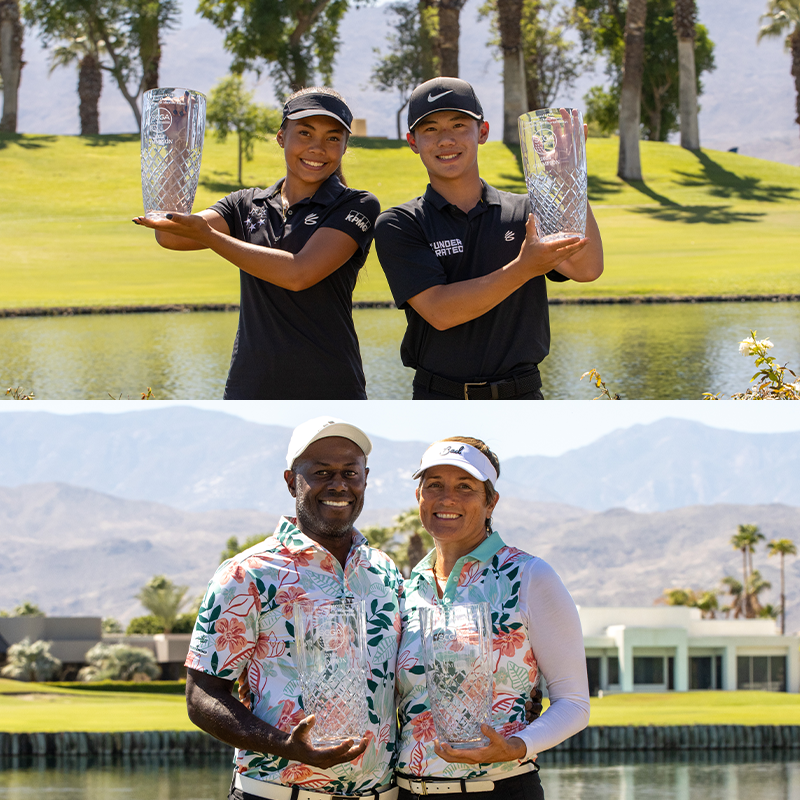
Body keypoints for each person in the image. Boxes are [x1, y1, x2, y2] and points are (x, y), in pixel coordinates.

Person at [184, 417, 403, 800]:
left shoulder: (385, 572)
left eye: (350, 472)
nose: (339, 484)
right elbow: (202, 696)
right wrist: (285, 744)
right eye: (321, 472)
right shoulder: (246, 574)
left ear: (365, 480)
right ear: (291, 481)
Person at [133, 88, 379, 400]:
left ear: (344, 147)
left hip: (329, 386)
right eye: (304, 133)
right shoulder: (245, 204)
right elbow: (170, 234)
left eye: (333, 138)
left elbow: (298, 274)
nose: (317, 148)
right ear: (281, 137)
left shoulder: (357, 205)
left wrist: (210, 237)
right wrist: (179, 145)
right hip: (249, 386)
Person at [375, 77, 604, 400]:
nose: (446, 140)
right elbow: (441, 312)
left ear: (482, 132)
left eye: (458, 125)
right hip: (439, 398)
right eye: (431, 129)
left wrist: (569, 180)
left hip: (523, 395)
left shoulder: (526, 210)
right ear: (413, 141)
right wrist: (524, 267)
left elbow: (587, 268)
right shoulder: (400, 223)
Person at [394, 437, 589, 800]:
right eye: (434, 485)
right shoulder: (407, 590)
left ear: (490, 502)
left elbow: (574, 703)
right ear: (419, 497)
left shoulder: (529, 576)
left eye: (465, 487)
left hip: (497, 790)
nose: (447, 498)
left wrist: (517, 746)